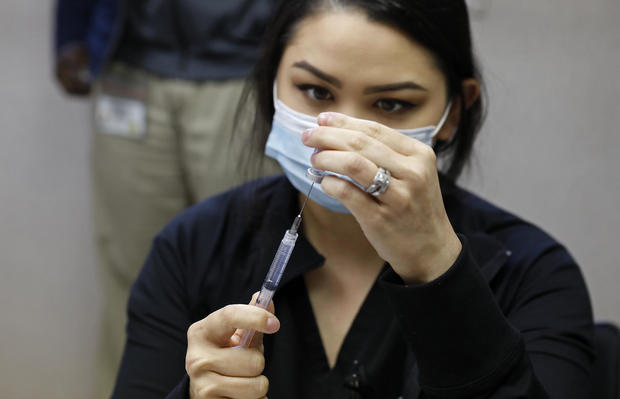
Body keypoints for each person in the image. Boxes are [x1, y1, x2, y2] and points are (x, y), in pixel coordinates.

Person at [111, 0, 595, 397]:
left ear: (453, 113)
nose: (343, 137)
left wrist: (437, 269)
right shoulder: (190, 247)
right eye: (316, 91)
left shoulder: (534, 272)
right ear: (271, 82)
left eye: (390, 104)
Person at [53, 0, 279, 396]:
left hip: (244, 69)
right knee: (130, 277)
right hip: (130, 64)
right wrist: (71, 31)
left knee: (249, 290)